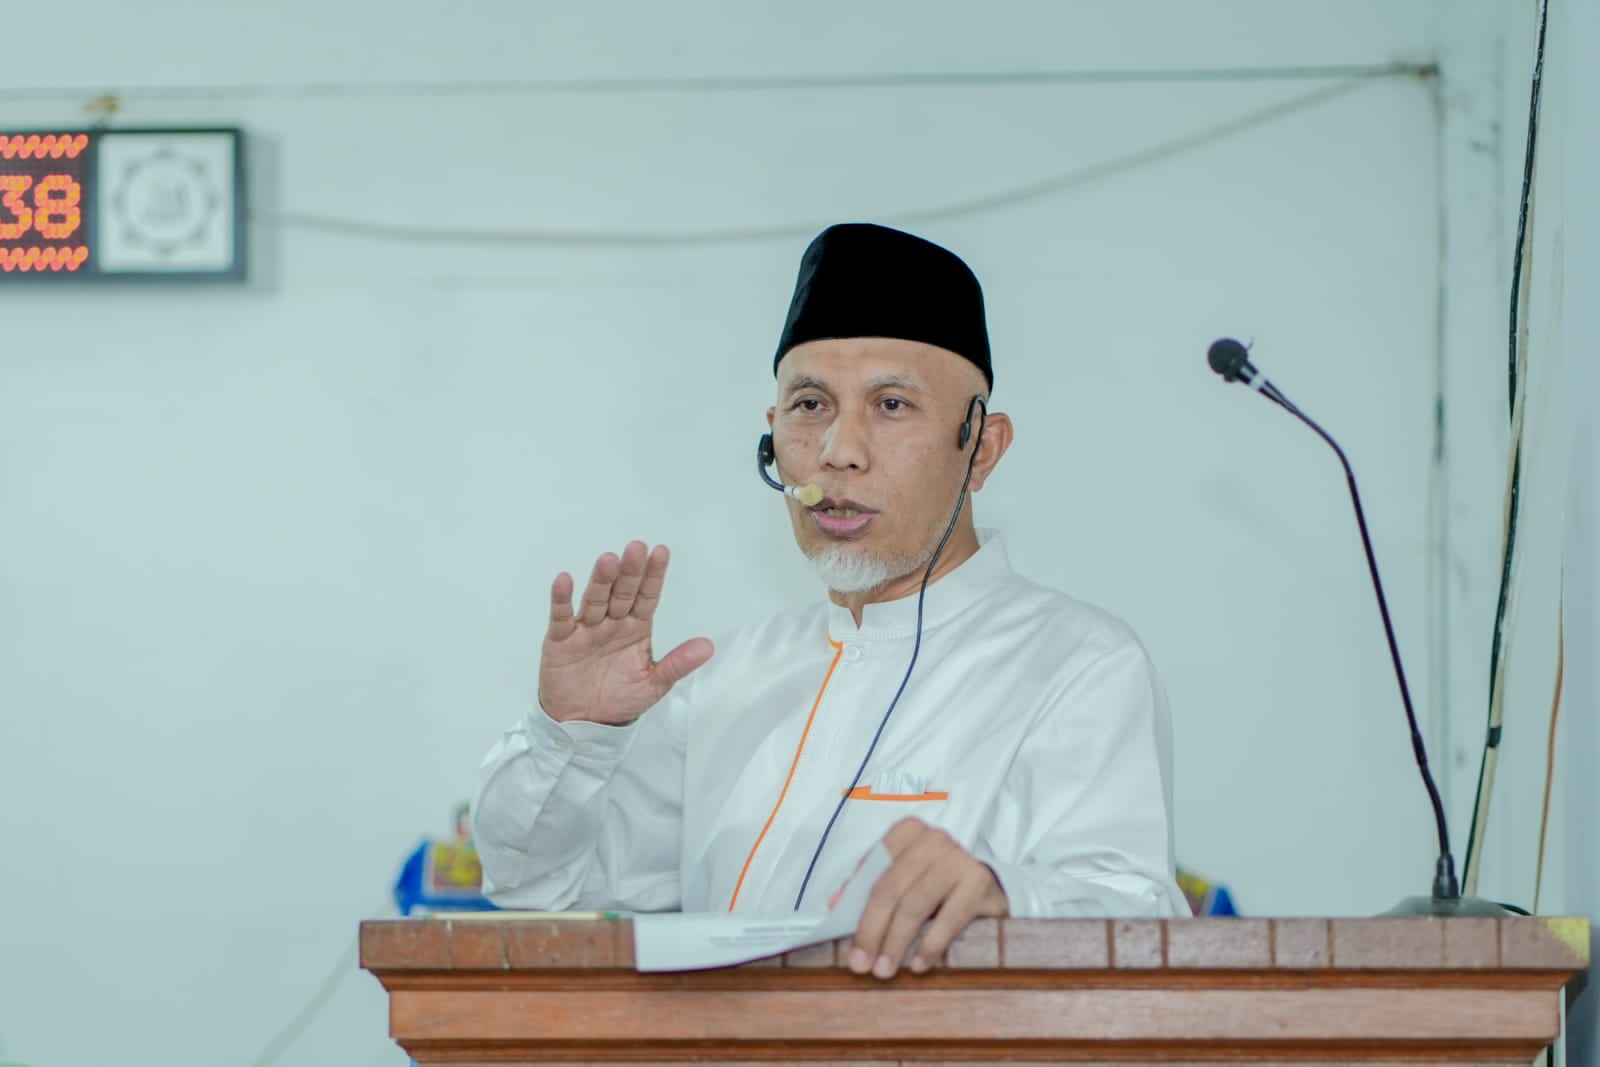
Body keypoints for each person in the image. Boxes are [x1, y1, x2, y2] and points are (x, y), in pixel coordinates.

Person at [471, 222, 1188, 980]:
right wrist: (575, 737)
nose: (839, 451)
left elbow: (1138, 918)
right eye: (811, 405)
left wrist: (1007, 896)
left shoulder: (1076, 664)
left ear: (981, 447)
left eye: (891, 405)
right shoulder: (726, 681)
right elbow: (542, 888)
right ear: (773, 436)